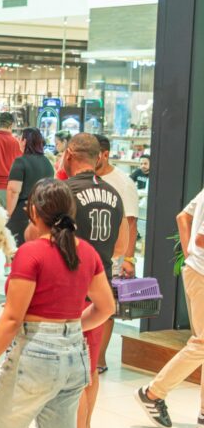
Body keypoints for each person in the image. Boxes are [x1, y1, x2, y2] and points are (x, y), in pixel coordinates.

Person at [0, 178, 115, 428]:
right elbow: (106, 308)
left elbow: (12, 319)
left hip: (35, 358)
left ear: (34, 212)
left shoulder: (31, 253)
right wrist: (68, 329)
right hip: (74, 359)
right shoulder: (88, 252)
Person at [35, 133, 126, 428]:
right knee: (89, 372)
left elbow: (42, 240)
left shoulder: (65, 193)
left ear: (70, 153)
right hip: (100, 288)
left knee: (68, 376)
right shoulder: (114, 193)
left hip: (68, 290)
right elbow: (121, 246)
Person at [135, 185, 204, 428]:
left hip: (197, 270)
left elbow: (182, 216)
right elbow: (201, 238)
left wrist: (188, 256)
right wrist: (191, 254)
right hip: (202, 273)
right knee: (202, 343)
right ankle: (153, 393)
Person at [95, 134, 140, 373]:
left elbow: (131, 223)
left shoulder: (122, 182)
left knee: (107, 307)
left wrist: (129, 259)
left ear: (104, 154)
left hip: (114, 256)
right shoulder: (87, 177)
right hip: (90, 255)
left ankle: (100, 359)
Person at [6, 128, 55, 247]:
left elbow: (13, 190)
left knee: (18, 251)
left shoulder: (20, 162)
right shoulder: (47, 163)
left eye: (20, 138)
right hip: (42, 212)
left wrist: (8, 214)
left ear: (24, 141)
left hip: (22, 213)